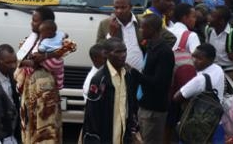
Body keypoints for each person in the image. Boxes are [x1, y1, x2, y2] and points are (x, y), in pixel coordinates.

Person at [16, 7, 66, 144]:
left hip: (45, 93)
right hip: (30, 91)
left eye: (35, 20)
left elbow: (55, 63)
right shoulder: (32, 41)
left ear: (45, 24)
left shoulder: (56, 43)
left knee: (46, 131)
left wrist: (39, 59)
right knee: (30, 128)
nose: (31, 23)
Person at [81, 37, 138, 144]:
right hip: (105, 137)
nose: (123, 55)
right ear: (106, 54)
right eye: (118, 52)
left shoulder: (127, 75)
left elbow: (130, 104)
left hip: (124, 136)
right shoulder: (99, 79)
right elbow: (92, 115)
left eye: (124, 50)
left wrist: (133, 129)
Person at [130, 13, 174, 144]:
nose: (140, 30)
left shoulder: (164, 52)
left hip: (154, 110)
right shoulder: (150, 47)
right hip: (144, 106)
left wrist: (134, 74)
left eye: (142, 28)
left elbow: (159, 82)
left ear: (152, 29)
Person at [173, 43, 225, 143]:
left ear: (210, 60)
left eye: (199, 58)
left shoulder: (200, 80)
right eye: (194, 57)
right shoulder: (218, 70)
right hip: (217, 122)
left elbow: (177, 97)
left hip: (198, 127)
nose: (194, 61)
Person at [96, 0, 144, 71]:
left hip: (140, 74)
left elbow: (167, 38)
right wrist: (111, 35)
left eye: (123, 7)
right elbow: (98, 49)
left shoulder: (141, 22)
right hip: (117, 73)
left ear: (130, 7)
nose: (119, 11)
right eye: (116, 7)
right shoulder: (105, 24)